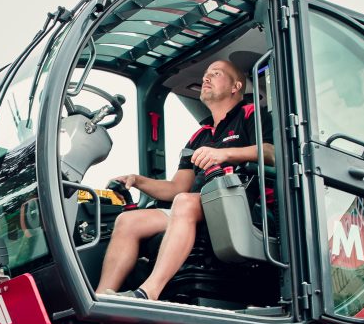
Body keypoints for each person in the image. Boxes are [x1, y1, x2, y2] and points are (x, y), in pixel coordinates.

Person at [96, 59, 268, 301]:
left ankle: (149, 292)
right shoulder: (200, 135)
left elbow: (272, 152)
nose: (206, 78)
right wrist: (137, 180)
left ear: (235, 86)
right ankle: (101, 298)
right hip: (194, 206)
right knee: (128, 221)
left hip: (236, 204)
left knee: (185, 203)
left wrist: (226, 153)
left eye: (216, 74)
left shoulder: (251, 115)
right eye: (206, 74)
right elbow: (178, 187)